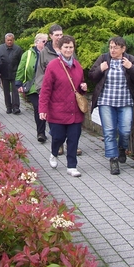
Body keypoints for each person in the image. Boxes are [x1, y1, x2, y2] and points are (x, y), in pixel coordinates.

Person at [88, 36, 134, 175]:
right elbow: (92, 76)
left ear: (123, 49)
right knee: (109, 131)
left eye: (116, 47)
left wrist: (131, 68)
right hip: (105, 102)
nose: (112, 50)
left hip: (125, 102)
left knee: (125, 131)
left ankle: (121, 149)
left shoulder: (129, 60)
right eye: (111, 47)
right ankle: (113, 159)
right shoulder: (103, 58)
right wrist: (100, 69)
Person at [39, 35, 88, 177]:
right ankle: (54, 153)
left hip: (75, 111)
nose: (68, 50)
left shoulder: (77, 66)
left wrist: (83, 88)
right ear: (60, 49)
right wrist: (42, 109)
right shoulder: (53, 66)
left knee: (74, 138)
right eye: (65, 47)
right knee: (58, 137)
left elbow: (80, 85)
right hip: (57, 111)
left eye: (71, 47)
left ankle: (72, 166)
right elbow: (46, 89)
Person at [34, 24, 82, 156]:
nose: (59, 37)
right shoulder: (45, 52)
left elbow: (76, 70)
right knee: (56, 121)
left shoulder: (68, 49)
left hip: (68, 91)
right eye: (57, 35)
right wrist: (41, 90)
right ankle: (58, 144)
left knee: (72, 121)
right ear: (51, 36)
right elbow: (39, 72)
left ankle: (71, 145)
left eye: (61, 34)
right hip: (51, 92)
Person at [15, 33, 48, 142]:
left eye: (47, 41)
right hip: (33, 86)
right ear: (37, 42)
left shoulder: (49, 53)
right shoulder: (28, 54)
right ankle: (41, 133)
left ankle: (54, 132)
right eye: (44, 41)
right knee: (38, 107)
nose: (46, 43)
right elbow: (21, 68)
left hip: (47, 86)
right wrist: (18, 83)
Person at [0, 33, 23, 114]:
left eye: (11, 40)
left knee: (15, 91)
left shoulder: (18, 49)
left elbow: (21, 62)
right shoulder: (0, 48)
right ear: (5, 40)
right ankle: (8, 107)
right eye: (8, 40)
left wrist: (20, 74)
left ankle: (16, 108)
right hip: (4, 73)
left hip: (15, 73)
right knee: (6, 91)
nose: (9, 42)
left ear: (13, 40)